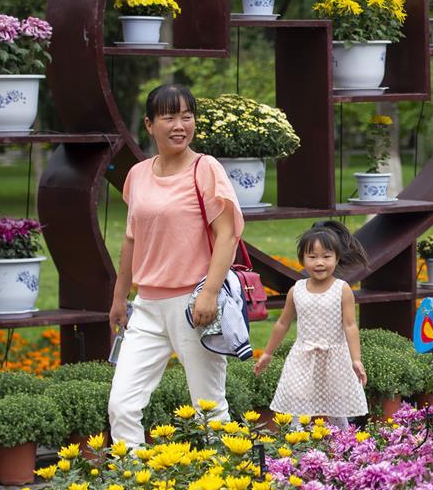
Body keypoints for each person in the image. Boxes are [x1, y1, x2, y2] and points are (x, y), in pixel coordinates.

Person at [108, 83, 245, 448]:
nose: (180, 125)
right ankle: (130, 477)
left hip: (194, 305)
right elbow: (131, 240)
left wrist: (210, 294)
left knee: (209, 409)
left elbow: (227, 235)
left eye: (187, 116)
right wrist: (120, 298)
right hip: (147, 307)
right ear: (150, 124)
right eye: (169, 117)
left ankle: (226, 478)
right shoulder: (137, 175)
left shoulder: (205, 169)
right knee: (121, 405)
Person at [254, 221, 369, 429]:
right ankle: (297, 442)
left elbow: (350, 325)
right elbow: (282, 323)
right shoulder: (296, 290)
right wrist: (268, 353)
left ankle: (344, 443)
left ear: (337, 258)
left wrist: (356, 359)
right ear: (302, 259)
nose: (319, 263)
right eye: (312, 257)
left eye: (326, 256)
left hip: (334, 358)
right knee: (298, 405)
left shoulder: (342, 289)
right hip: (303, 358)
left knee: (336, 408)